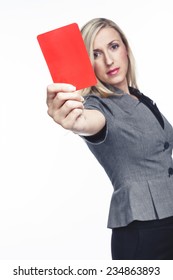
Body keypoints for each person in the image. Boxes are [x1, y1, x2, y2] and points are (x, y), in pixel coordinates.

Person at [46, 18, 173, 260]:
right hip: (142, 231)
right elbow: (88, 121)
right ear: (86, 63)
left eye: (113, 47)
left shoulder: (139, 98)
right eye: (95, 53)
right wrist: (75, 121)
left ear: (125, 47)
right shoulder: (98, 107)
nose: (108, 60)